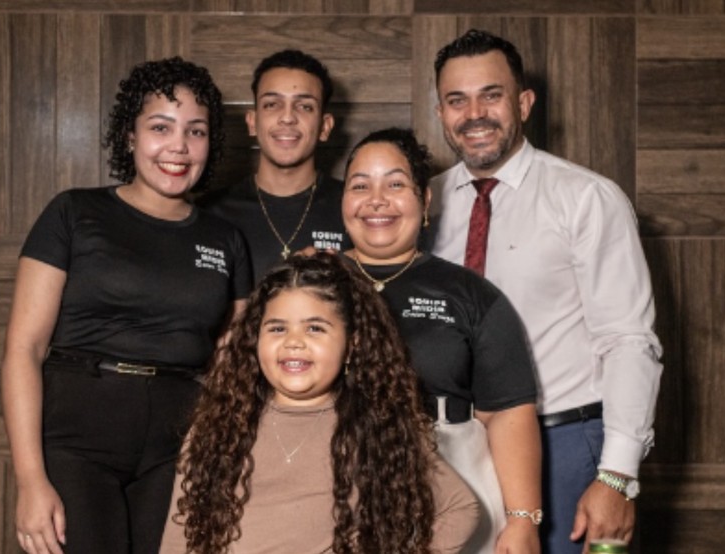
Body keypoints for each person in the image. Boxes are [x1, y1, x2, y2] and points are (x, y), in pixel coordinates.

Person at [1, 56, 252, 554]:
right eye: (161, 127)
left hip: (177, 444)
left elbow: (233, 360)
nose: (178, 146)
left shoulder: (226, 240)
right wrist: (31, 480)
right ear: (130, 135)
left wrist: (210, 441)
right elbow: (23, 350)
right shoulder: (74, 212)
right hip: (77, 435)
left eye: (196, 131)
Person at [429, 29, 664, 553]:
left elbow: (627, 340)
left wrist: (618, 477)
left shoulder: (586, 199)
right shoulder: (422, 204)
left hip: (565, 446)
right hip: (454, 448)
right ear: (442, 113)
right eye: (456, 100)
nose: (475, 114)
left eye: (491, 95)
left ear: (524, 103)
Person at [159, 252, 481, 554]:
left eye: (315, 328)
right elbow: (179, 537)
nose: (293, 341)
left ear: (352, 345)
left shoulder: (379, 427)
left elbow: (461, 508)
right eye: (277, 328)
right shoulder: (218, 425)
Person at [342, 127, 541, 554]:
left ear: (425, 200)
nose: (377, 199)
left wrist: (522, 519)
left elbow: (508, 412)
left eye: (395, 184)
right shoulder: (309, 287)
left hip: (451, 472)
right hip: (329, 472)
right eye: (361, 186)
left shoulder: (470, 294)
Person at [200, 49, 349, 282]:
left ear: (325, 127)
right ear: (252, 122)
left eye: (305, 106)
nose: (287, 117)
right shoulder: (210, 214)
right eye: (272, 104)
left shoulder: (356, 208)